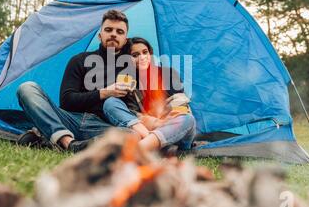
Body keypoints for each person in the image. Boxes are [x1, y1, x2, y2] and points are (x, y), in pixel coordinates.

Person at [16, 10, 136, 152]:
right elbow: (67, 101)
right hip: (70, 119)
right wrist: (105, 92)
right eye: (108, 30)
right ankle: (69, 143)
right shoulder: (79, 60)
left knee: (131, 134)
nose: (114, 34)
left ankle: (49, 139)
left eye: (120, 32)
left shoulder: (129, 68)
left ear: (125, 40)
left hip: (101, 126)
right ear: (100, 35)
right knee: (27, 88)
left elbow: (129, 112)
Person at [102, 37, 196, 152]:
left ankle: (140, 150)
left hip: (173, 129)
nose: (142, 57)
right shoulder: (127, 81)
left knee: (188, 119)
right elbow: (132, 114)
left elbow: (181, 103)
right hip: (147, 130)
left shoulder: (168, 73)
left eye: (145, 52)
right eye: (135, 55)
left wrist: (164, 119)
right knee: (110, 102)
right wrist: (154, 122)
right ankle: (153, 145)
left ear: (150, 53)